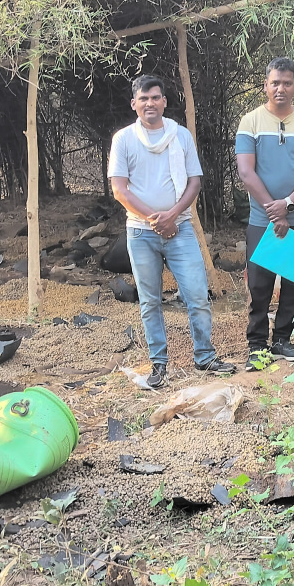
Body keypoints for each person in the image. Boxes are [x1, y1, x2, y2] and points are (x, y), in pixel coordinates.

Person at [108, 74, 236, 388]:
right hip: (141, 232)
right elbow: (119, 190)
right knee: (150, 301)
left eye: (155, 97)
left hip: (181, 228)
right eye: (143, 98)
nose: (149, 103)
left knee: (197, 296)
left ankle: (204, 356)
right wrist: (154, 218)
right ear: (134, 104)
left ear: (165, 101)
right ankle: (158, 366)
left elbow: (195, 182)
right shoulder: (123, 139)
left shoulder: (180, 136)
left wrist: (173, 215)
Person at [236, 57, 294, 371]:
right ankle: (257, 345)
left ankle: (283, 338)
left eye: (287, 83)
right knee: (259, 286)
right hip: (263, 220)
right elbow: (246, 172)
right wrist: (274, 212)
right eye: (275, 82)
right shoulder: (251, 122)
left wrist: (287, 204)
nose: (281, 88)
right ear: (266, 85)